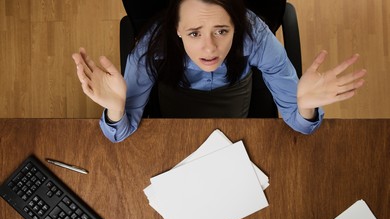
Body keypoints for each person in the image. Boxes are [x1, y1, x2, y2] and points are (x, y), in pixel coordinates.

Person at [72, 0, 367, 143]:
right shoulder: (153, 45)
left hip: (236, 96)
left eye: (221, 31)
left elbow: (300, 125)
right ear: (176, 29)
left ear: (236, 26)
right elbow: (120, 133)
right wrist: (115, 108)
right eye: (194, 33)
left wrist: (304, 107)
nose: (209, 49)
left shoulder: (257, 36)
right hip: (176, 95)